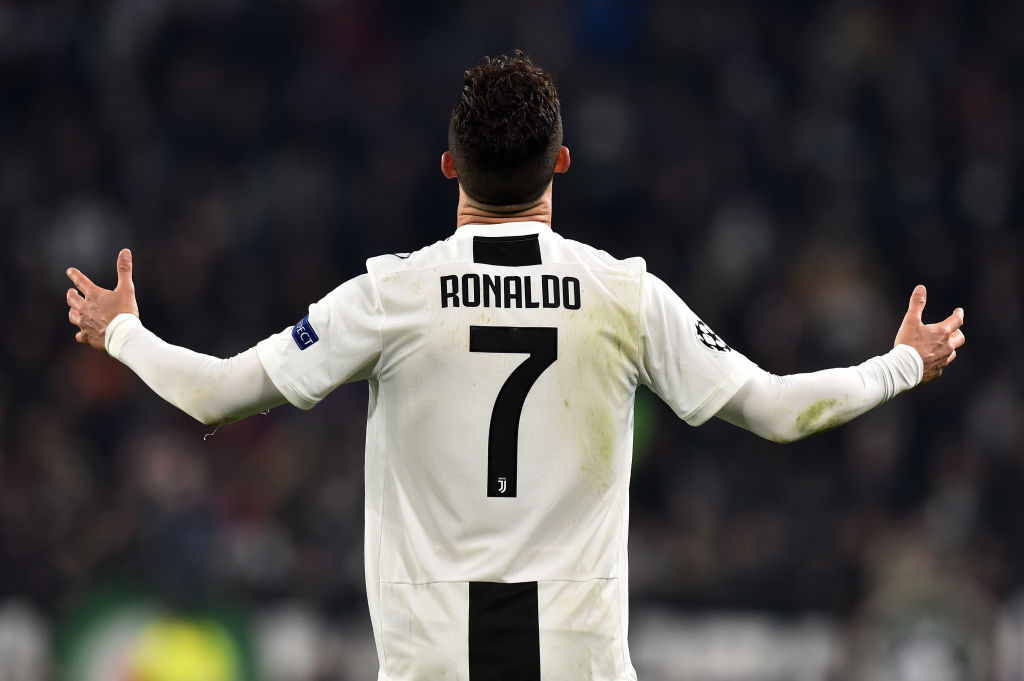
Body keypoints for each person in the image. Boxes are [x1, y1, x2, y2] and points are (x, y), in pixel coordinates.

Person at [66, 51, 965, 681]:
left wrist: (123, 333)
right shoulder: (623, 296)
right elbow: (776, 409)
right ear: (562, 165)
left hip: (433, 656)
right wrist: (899, 364)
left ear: (450, 165)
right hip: (577, 654)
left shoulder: (394, 294)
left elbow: (216, 395)